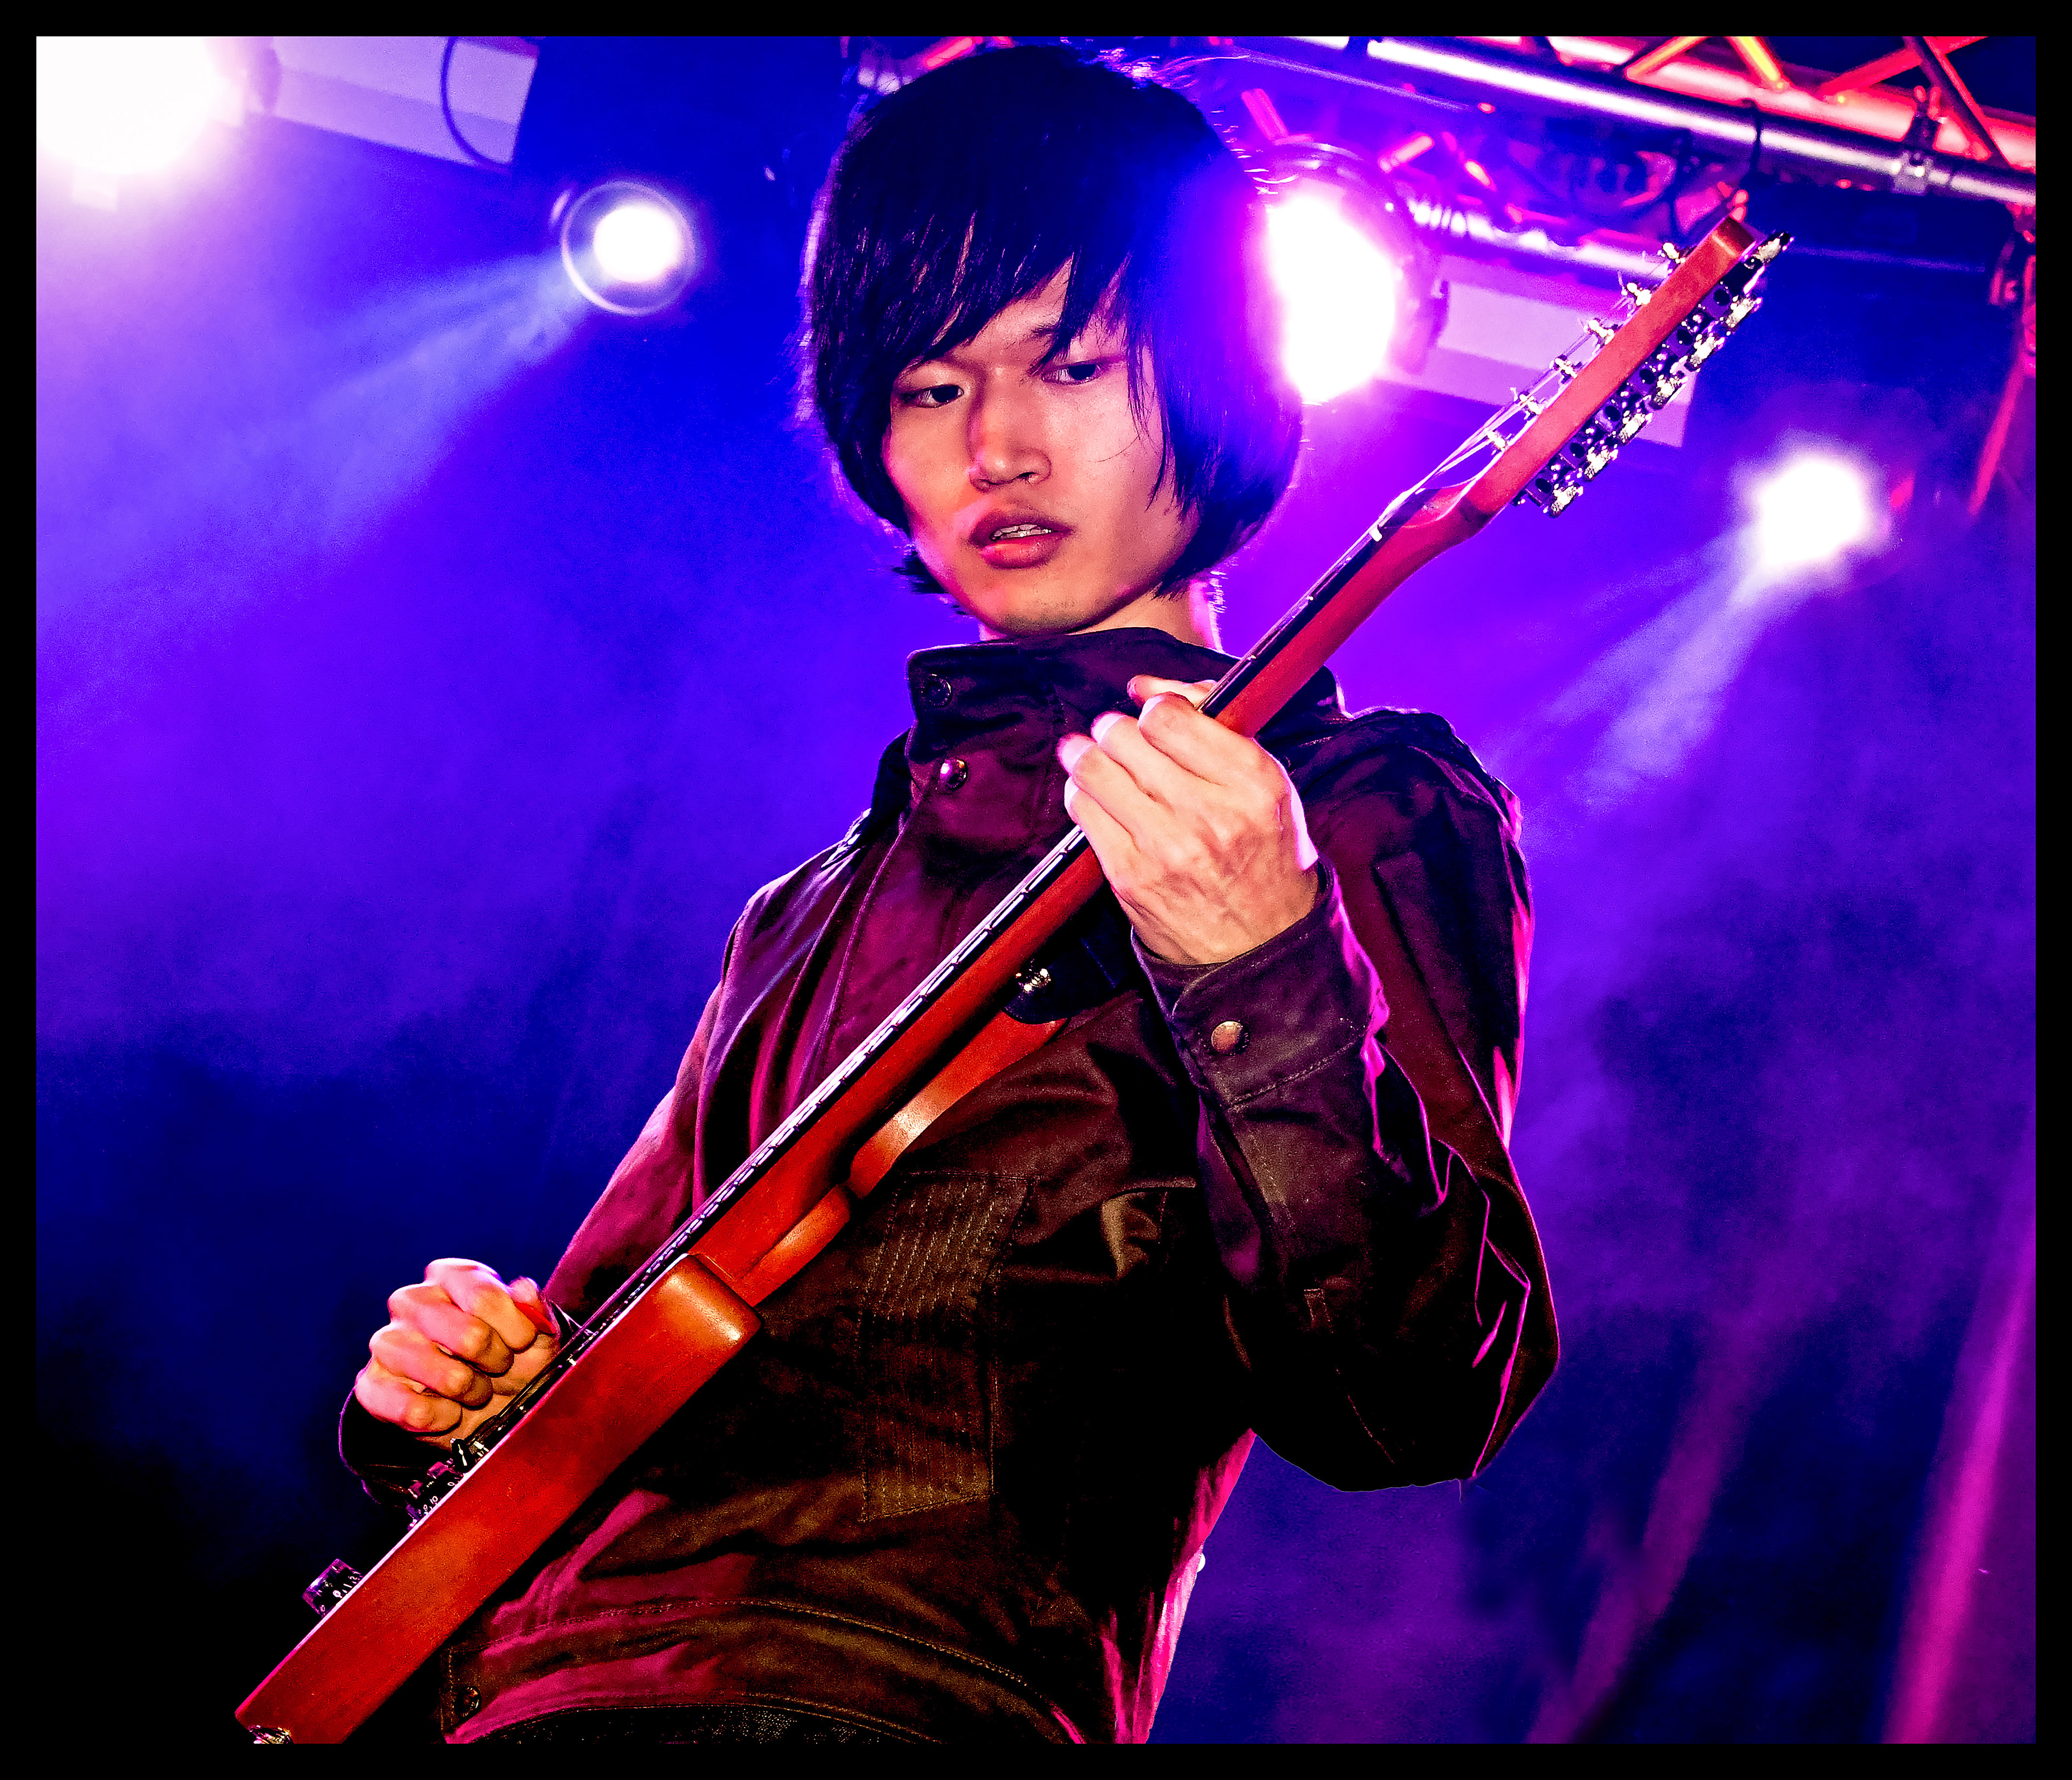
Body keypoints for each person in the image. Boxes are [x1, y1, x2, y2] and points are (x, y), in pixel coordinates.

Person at [340, 44, 1556, 1745]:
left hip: (905, 1695)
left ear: (1207, 379)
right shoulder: (811, 904)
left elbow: (1423, 1385)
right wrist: (487, 1387)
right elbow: (618, 1332)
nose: (995, 445)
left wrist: (1268, 963)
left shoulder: (1354, 808)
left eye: (1070, 362)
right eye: (927, 385)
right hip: (545, 1695)